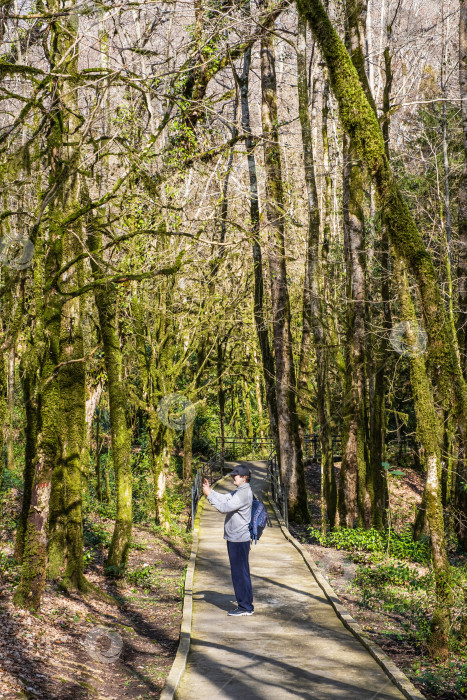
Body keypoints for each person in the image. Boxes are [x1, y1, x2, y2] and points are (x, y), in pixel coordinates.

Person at [202, 464, 254, 616]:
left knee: (239, 573)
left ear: (244, 477)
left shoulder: (244, 493)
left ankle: (245, 607)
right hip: (237, 538)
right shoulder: (241, 491)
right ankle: (246, 605)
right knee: (242, 572)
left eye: (235, 476)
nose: (233, 478)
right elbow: (226, 498)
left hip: (238, 539)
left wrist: (209, 496)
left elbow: (224, 507)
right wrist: (211, 491)